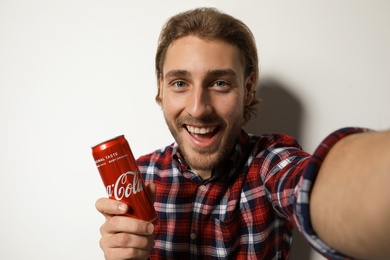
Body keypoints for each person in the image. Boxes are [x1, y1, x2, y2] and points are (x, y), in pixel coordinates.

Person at [95, 7, 390, 259]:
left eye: (220, 83)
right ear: (161, 88)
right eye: (180, 83)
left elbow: (316, 187)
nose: (198, 109)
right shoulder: (139, 176)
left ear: (247, 90)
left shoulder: (269, 162)